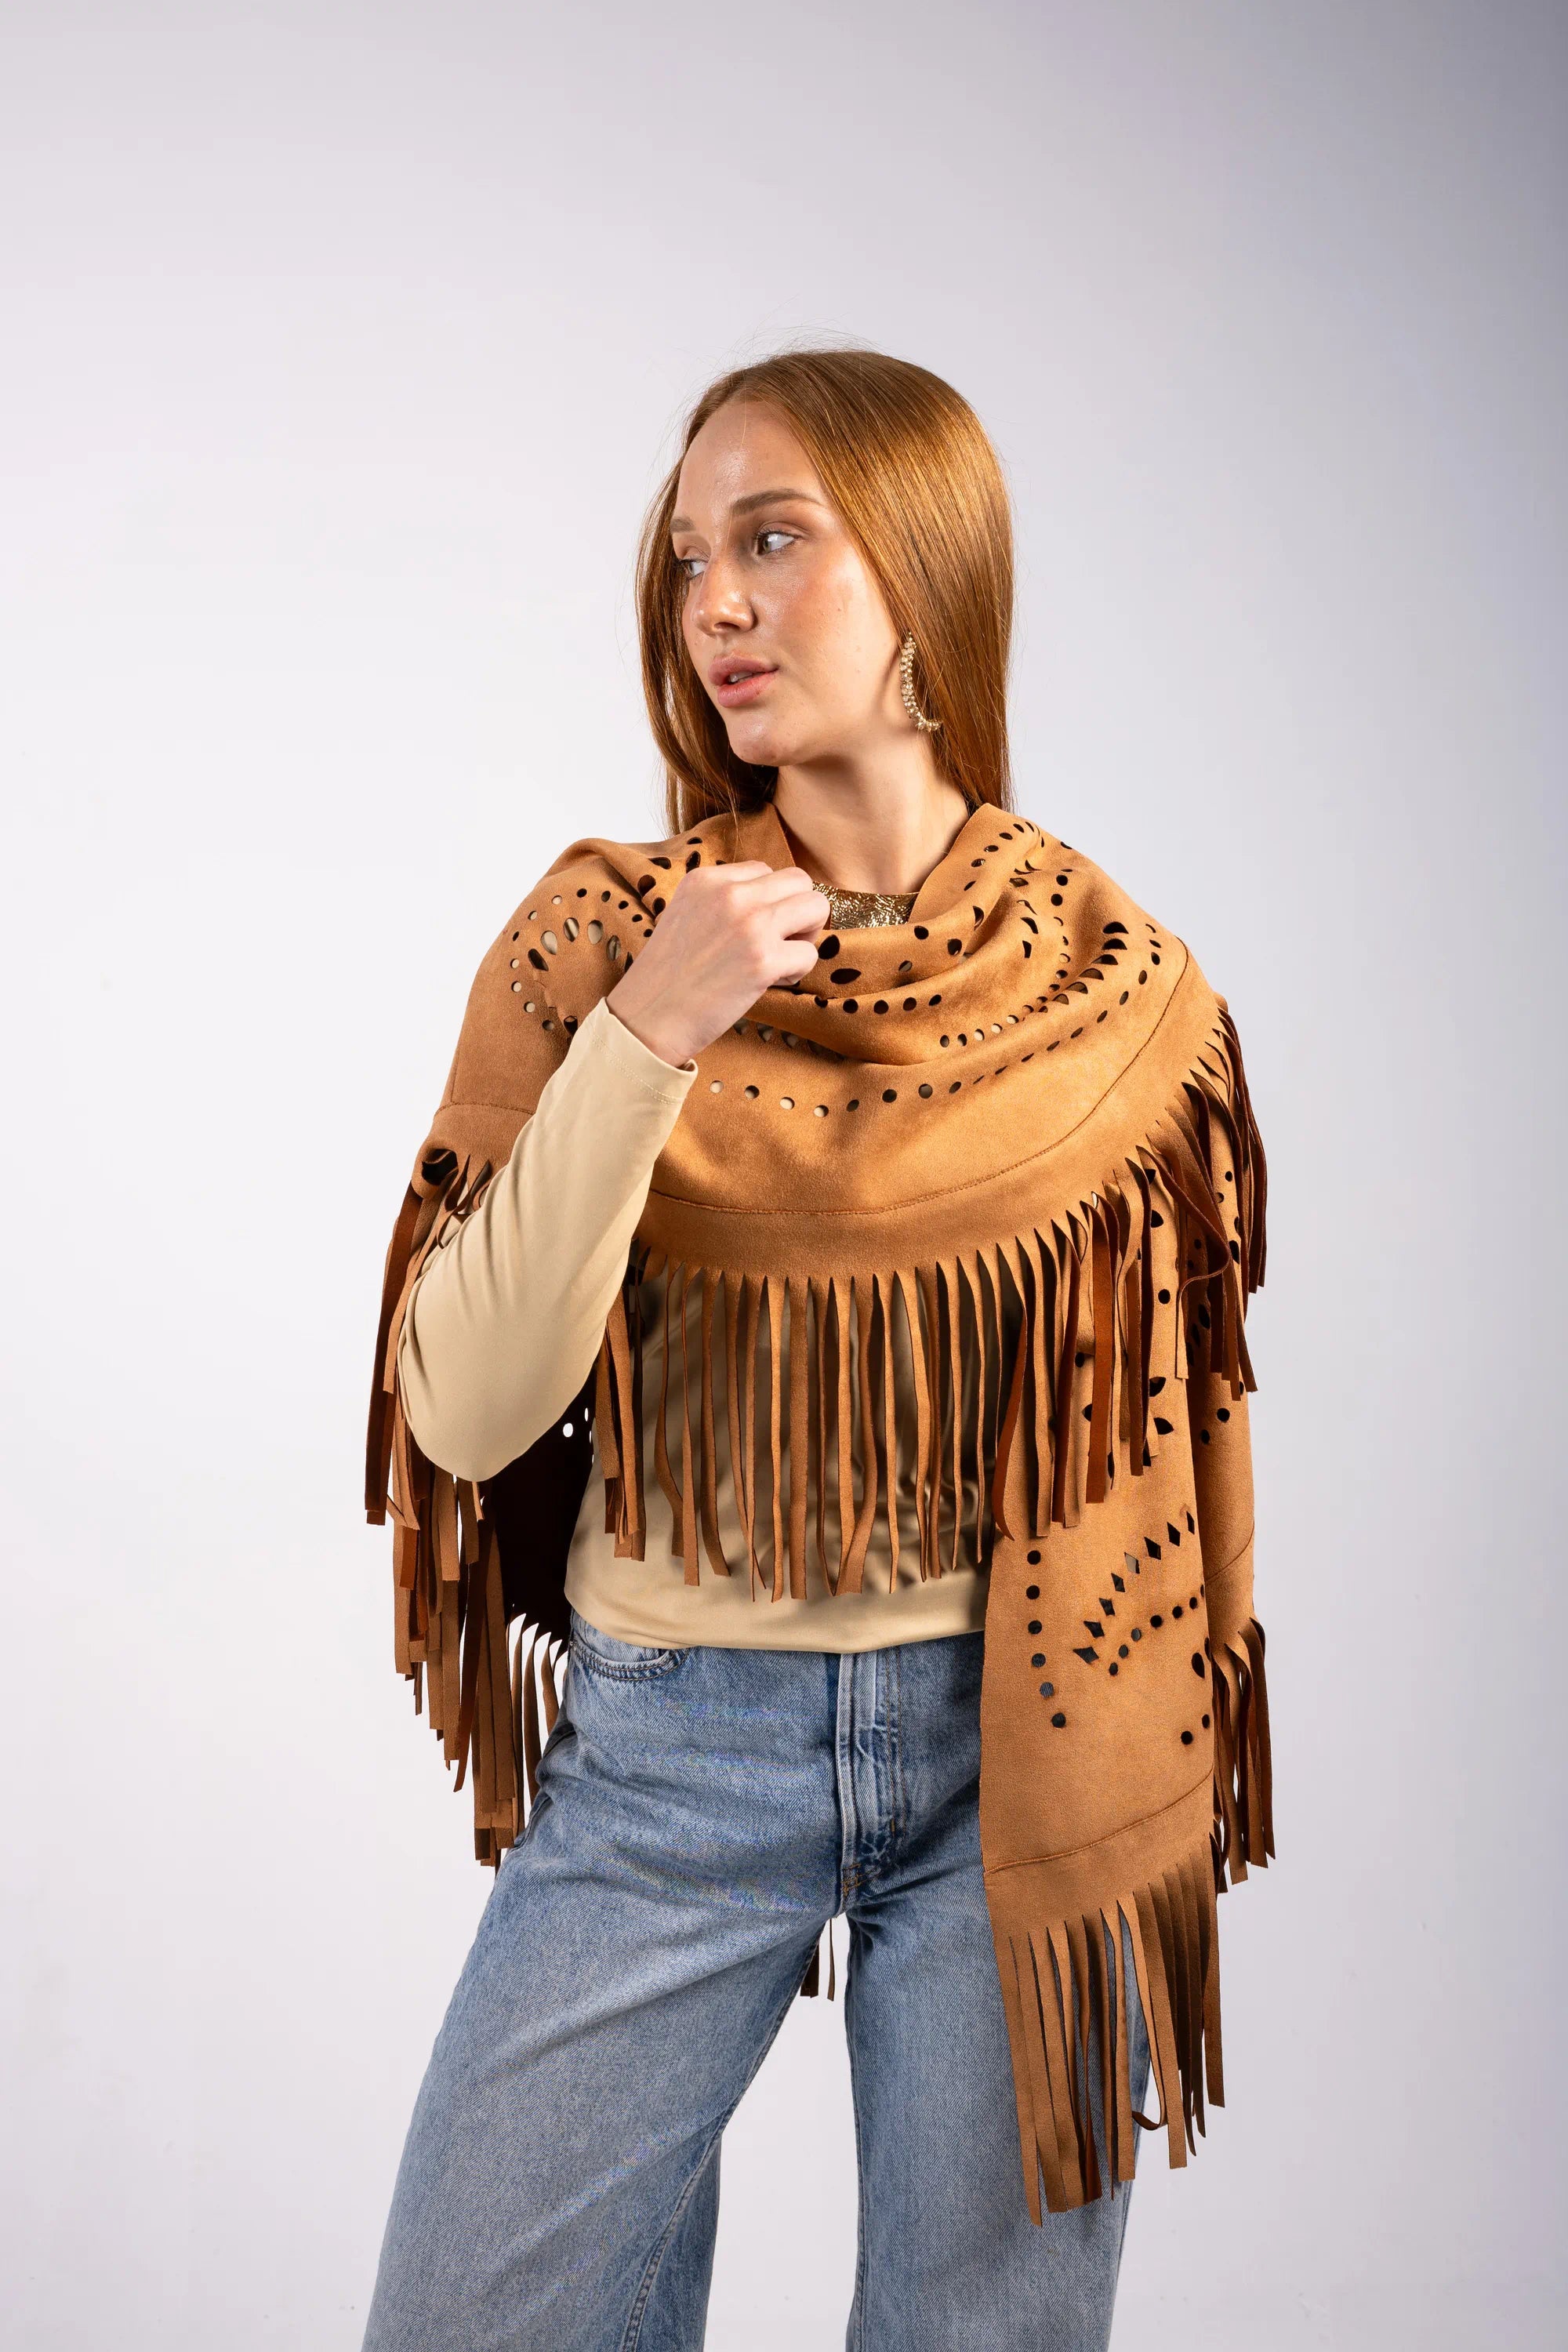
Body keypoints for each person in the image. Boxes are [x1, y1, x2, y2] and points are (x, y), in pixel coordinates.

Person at [360, 349, 1274, 2352]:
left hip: (1022, 1762)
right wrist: (650, 1038)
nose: (715, 606)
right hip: (672, 1754)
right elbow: (469, 1398)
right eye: (688, 559)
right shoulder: (608, 936)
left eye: (772, 539)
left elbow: (1191, 1443)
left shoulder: (1118, 995)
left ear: (928, 573)